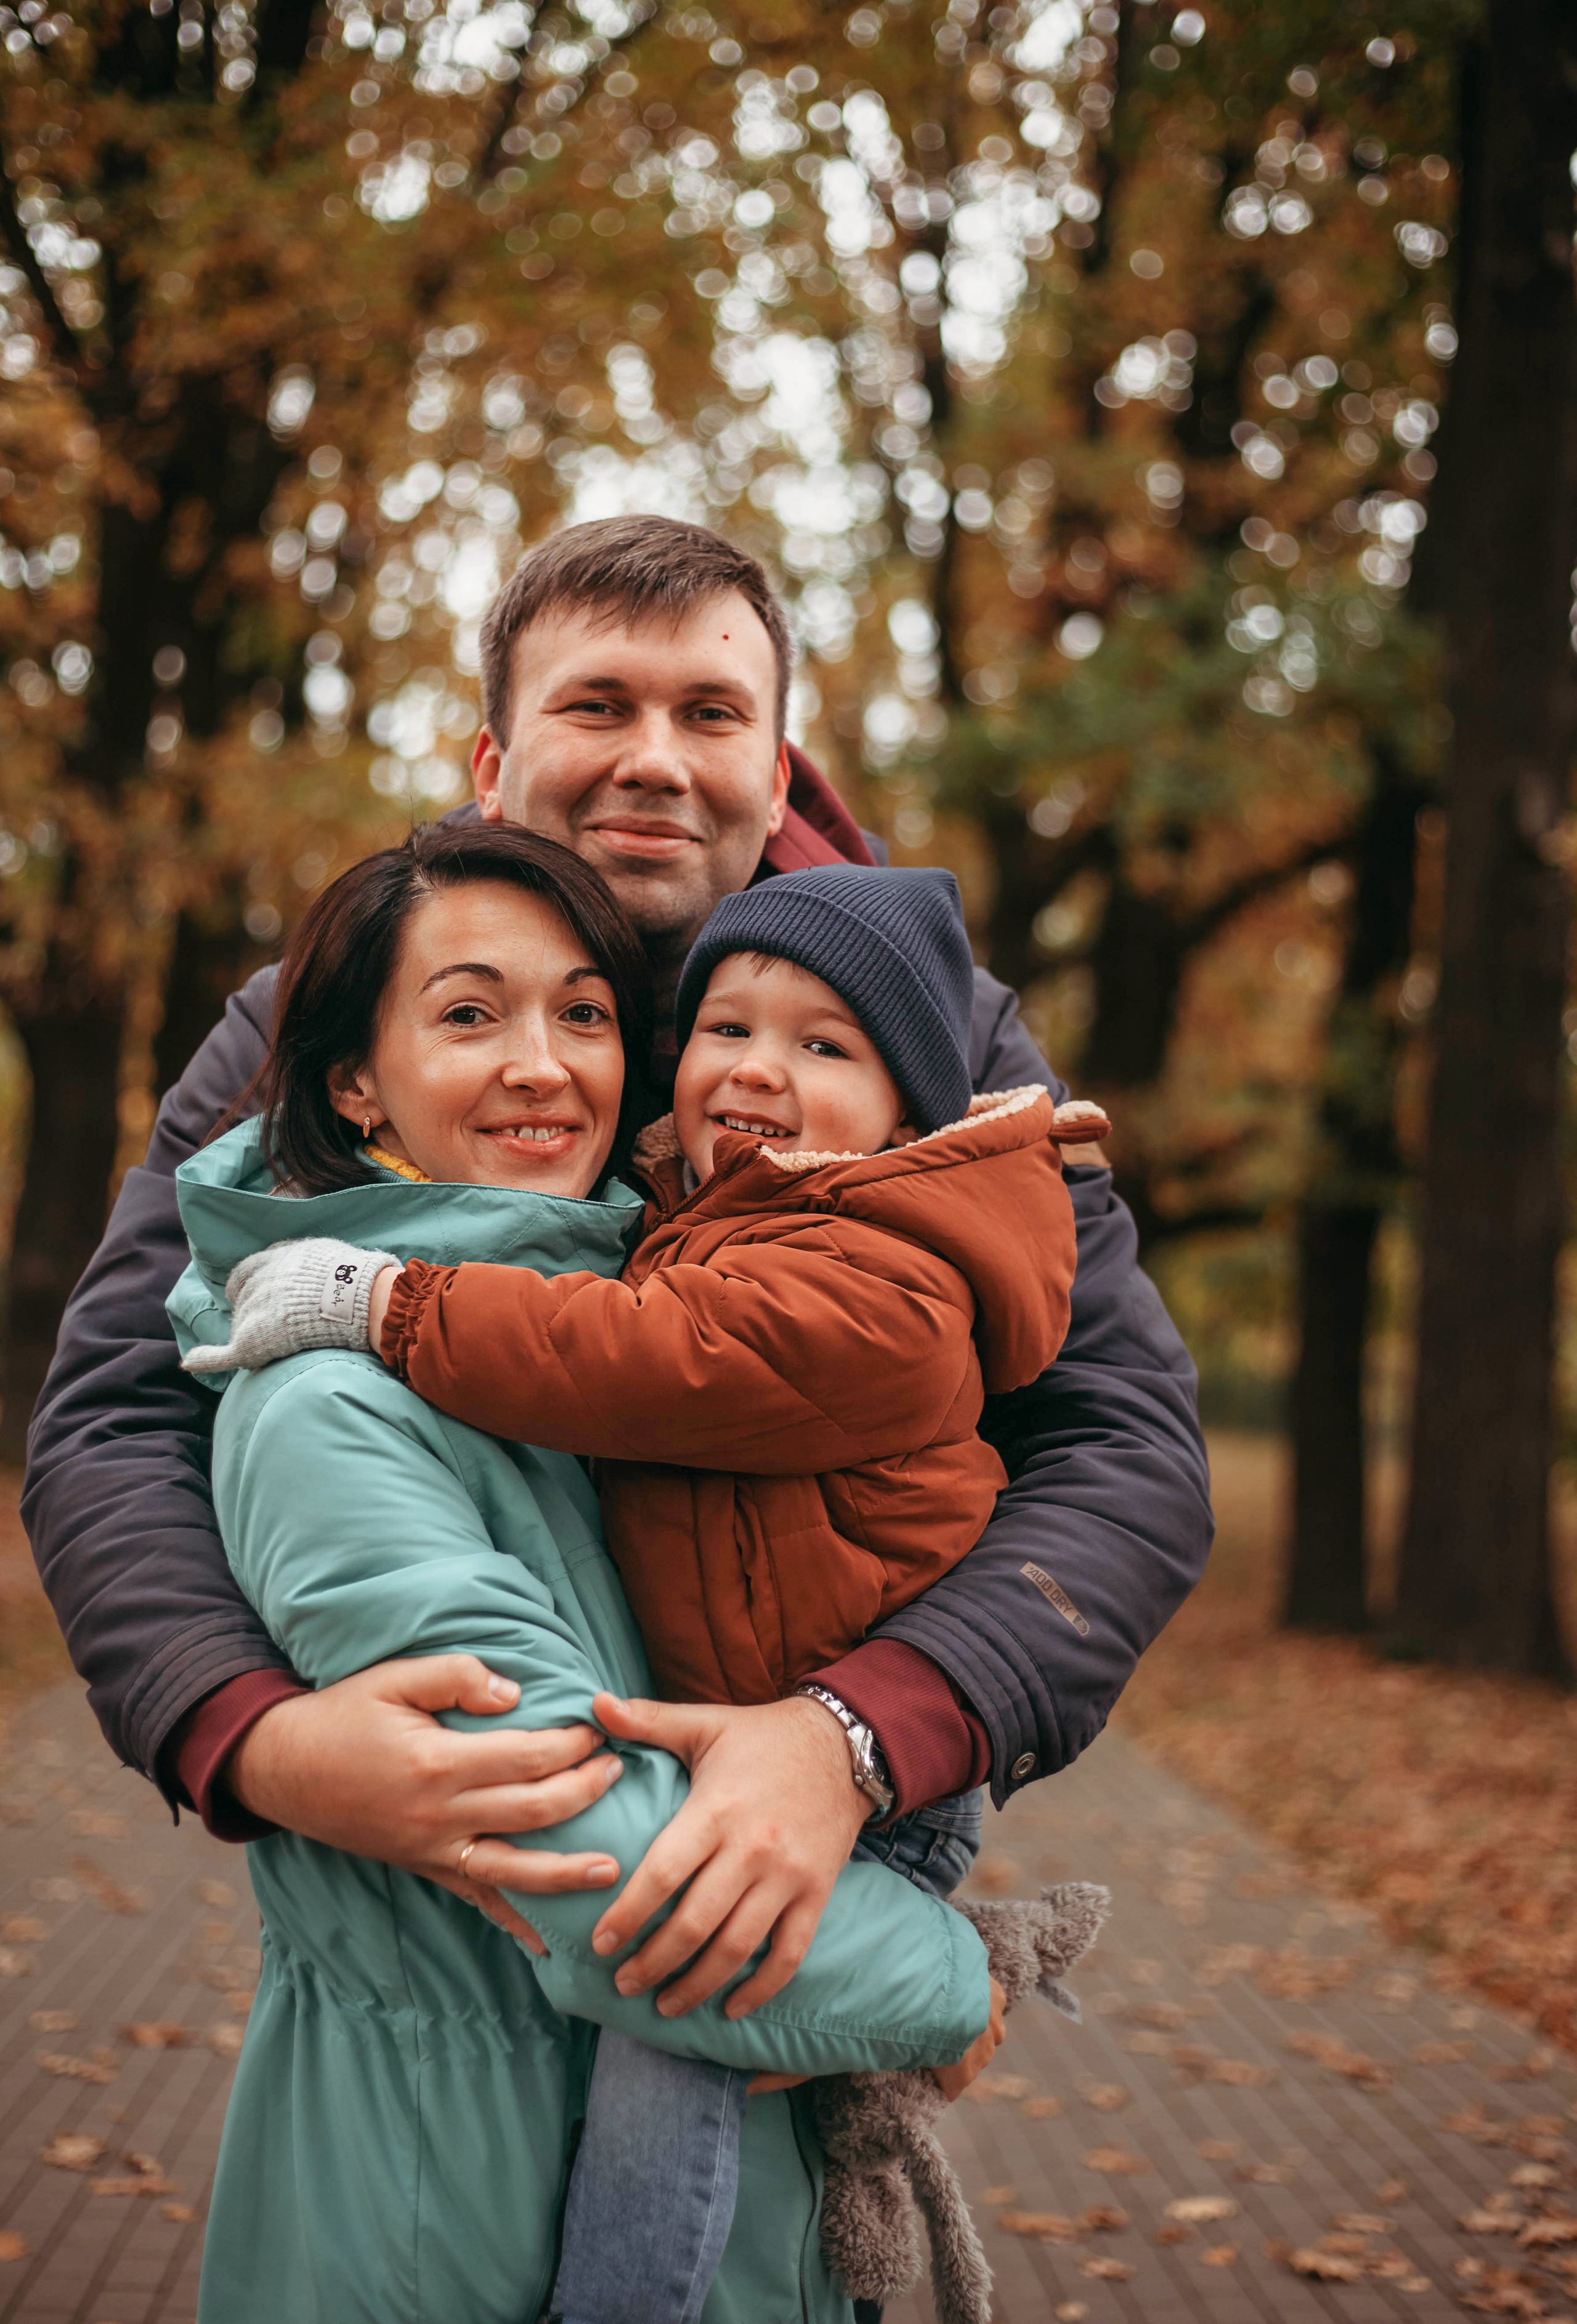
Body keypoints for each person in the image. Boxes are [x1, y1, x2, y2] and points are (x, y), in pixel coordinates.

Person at [23, 512, 1212, 2038]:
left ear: (774, 771)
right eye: (596, 705)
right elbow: (117, 1412)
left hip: (798, 1838)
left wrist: (856, 1732)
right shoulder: (326, 1016)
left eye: (709, 714)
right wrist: (249, 1736)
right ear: (490, 763)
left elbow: (1125, 1445)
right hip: (433, 1911)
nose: (655, 756)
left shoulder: (935, 1046)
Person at [188, 857, 1112, 2324]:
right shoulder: (338, 1409)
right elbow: (605, 1879)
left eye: (586, 1012)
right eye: (471, 1015)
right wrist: (952, 1984)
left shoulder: (683, 1298)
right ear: (357, 1082)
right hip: (451, 2218)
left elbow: (1121, 1457)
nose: (542, 1064)